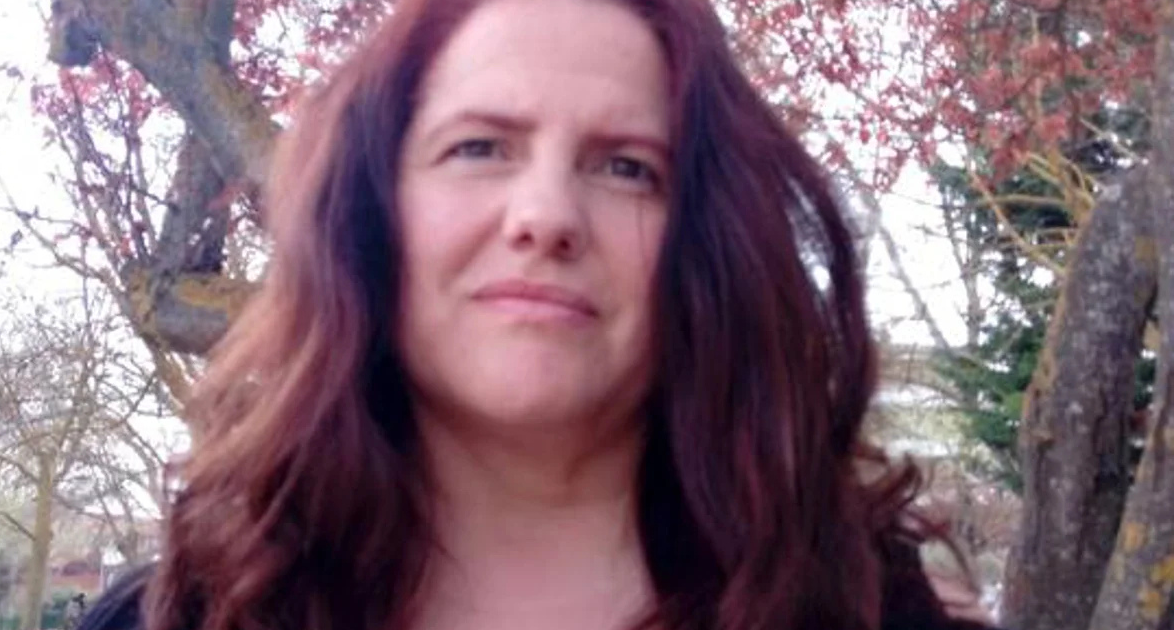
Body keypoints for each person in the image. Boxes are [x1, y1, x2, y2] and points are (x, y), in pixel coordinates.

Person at [79, 0, 1002, 629]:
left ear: (707, 243)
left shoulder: (864, 612)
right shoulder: (174, 617)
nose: (548, 216)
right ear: (371, 215)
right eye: (480, 148)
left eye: (626, 167)